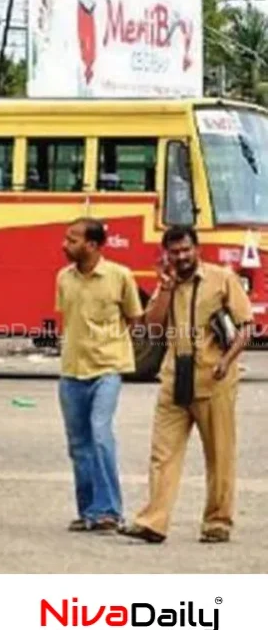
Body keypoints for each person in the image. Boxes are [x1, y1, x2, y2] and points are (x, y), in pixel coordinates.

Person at [120, 226, 253, 544]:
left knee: (219, 454)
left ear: (197, 249)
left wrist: (227, 360)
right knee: (162, 453)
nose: (180, 257)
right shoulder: (168, 283)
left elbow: (246, 326)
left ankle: (217, 521)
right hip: (173, 378)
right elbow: (151, 328)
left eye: (185, 250)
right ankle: (154, 521)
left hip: (214, 378)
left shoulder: (222, 279)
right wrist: (164, 289)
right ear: (167, 254)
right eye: (174, 252)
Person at [55, 218, 143, 533]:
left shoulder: (120, 276)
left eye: (73, 239)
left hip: (107, 368)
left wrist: (112, 347)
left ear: (92, 245)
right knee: (78, 444)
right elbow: (68, 318)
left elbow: (135, 318)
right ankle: (89, 511)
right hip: (71, 371)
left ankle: (109, 510)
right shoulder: (64, 278)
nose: (65, 245)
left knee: (100, 434)